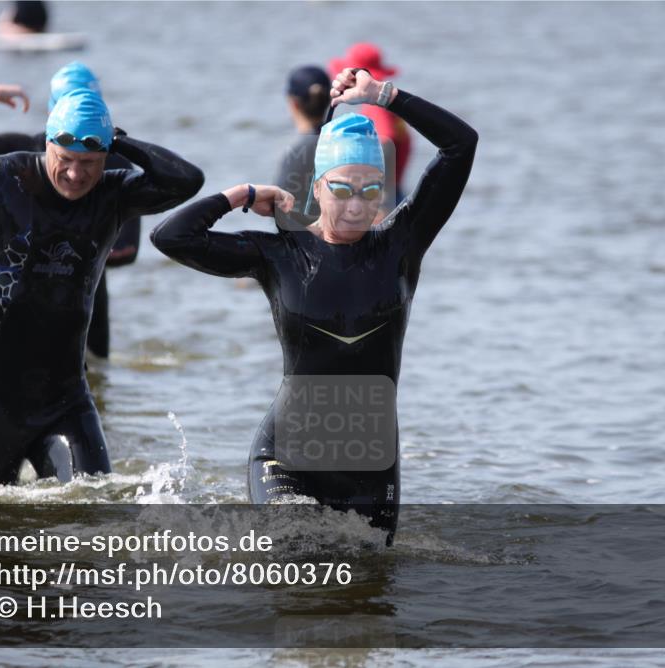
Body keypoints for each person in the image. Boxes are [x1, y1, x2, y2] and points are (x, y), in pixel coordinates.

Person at [151, 69, 478, 543]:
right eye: (343, 189)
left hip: (371, 463)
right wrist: (240, 195)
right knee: (293, 557)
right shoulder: (280, 254)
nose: (356, 206)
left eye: (371, 191)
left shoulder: (401, 246)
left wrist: (384, 96)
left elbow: (461, 145)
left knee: (367, 596)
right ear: (318, 187)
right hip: (286, 455)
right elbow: (170, 237)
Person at [0, 89, 204, 487]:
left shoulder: (114, 195)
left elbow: (187, 180)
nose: (76, 175)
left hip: (66, 399)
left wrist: (118, 139)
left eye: (89, 162)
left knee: (95, 509)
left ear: (107, 156)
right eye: (66, 160)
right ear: (47, 144)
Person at [0, 61, 138, 358]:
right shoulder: (24, 154)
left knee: (95, 373)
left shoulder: (116, 162)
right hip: (27, 289)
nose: (75, 172)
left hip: (85, 290)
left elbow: (129, 250)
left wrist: (79, 252)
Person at [329, 43, 411, 206]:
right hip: (395, 192)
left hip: (383, 198)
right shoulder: (388, 106)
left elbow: (386, 142)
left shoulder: (375, 109)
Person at [274, 65, 331, 224]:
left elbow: (279, 212)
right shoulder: (340, 142)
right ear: (329, 101)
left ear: (293, 103)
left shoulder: (296, 152)